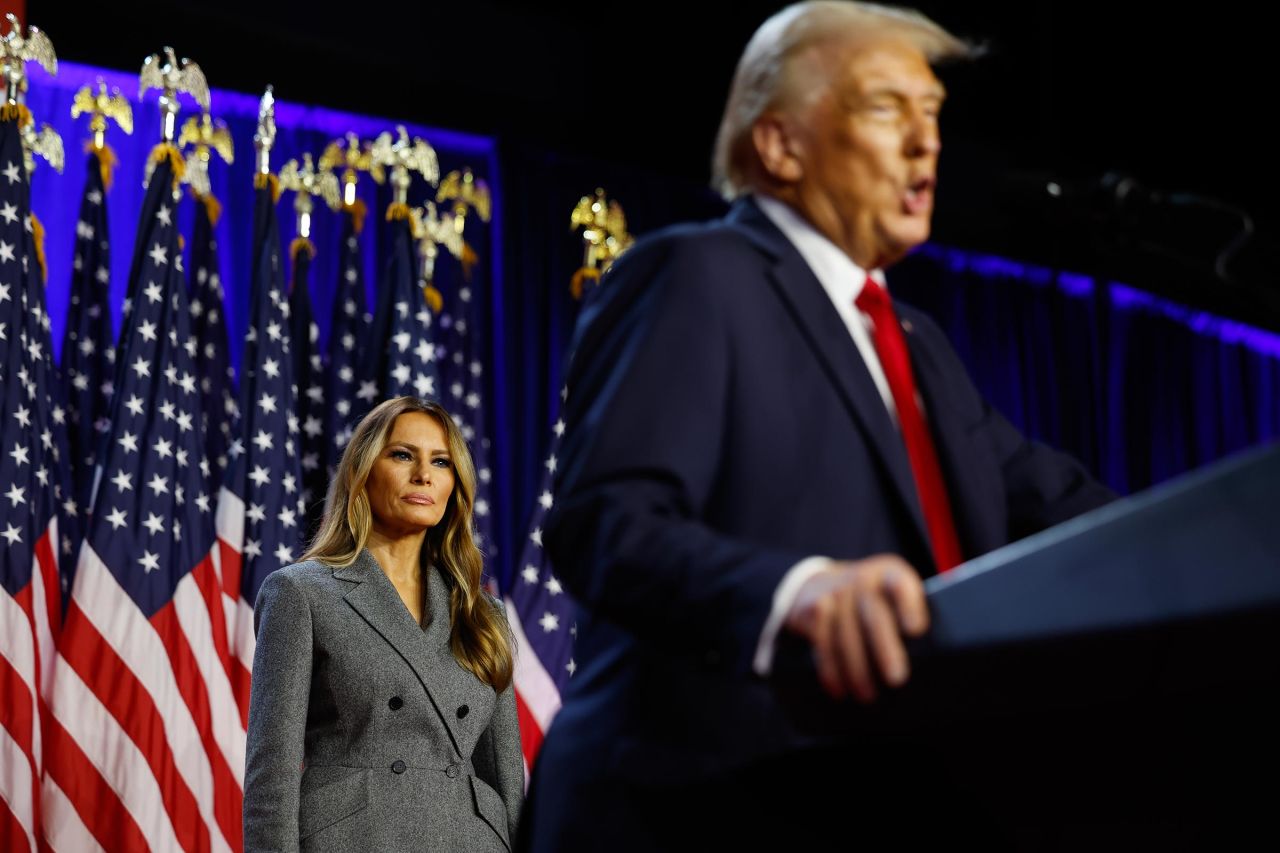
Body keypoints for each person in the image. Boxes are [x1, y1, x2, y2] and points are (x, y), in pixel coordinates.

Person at [519, 2, 1116, 850]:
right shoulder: (695, 274)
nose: (926, 142)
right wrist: (796, 591)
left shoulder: (917, 346)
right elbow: (604, 523)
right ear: (780, 145)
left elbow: (1057, 503)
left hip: (875, 800)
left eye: (933, 114)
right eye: (885, 108)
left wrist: (1226, 542)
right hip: (689, 807)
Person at [243, 396, 523, 852]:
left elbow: (506, 776)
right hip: (355, 838)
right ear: (362, 469)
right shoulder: (301, 592)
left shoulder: (483, 613)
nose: (424, 475)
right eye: (402, 455)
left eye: (441, 462)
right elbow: (270, 771)